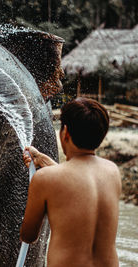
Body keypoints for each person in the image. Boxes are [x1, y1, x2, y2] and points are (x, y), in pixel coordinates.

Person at [20, 97, 121, 267]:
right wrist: (44, 161)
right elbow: (79, 180)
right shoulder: (112, 172)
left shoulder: (45, 179)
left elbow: (28, 236)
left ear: (65, 132)